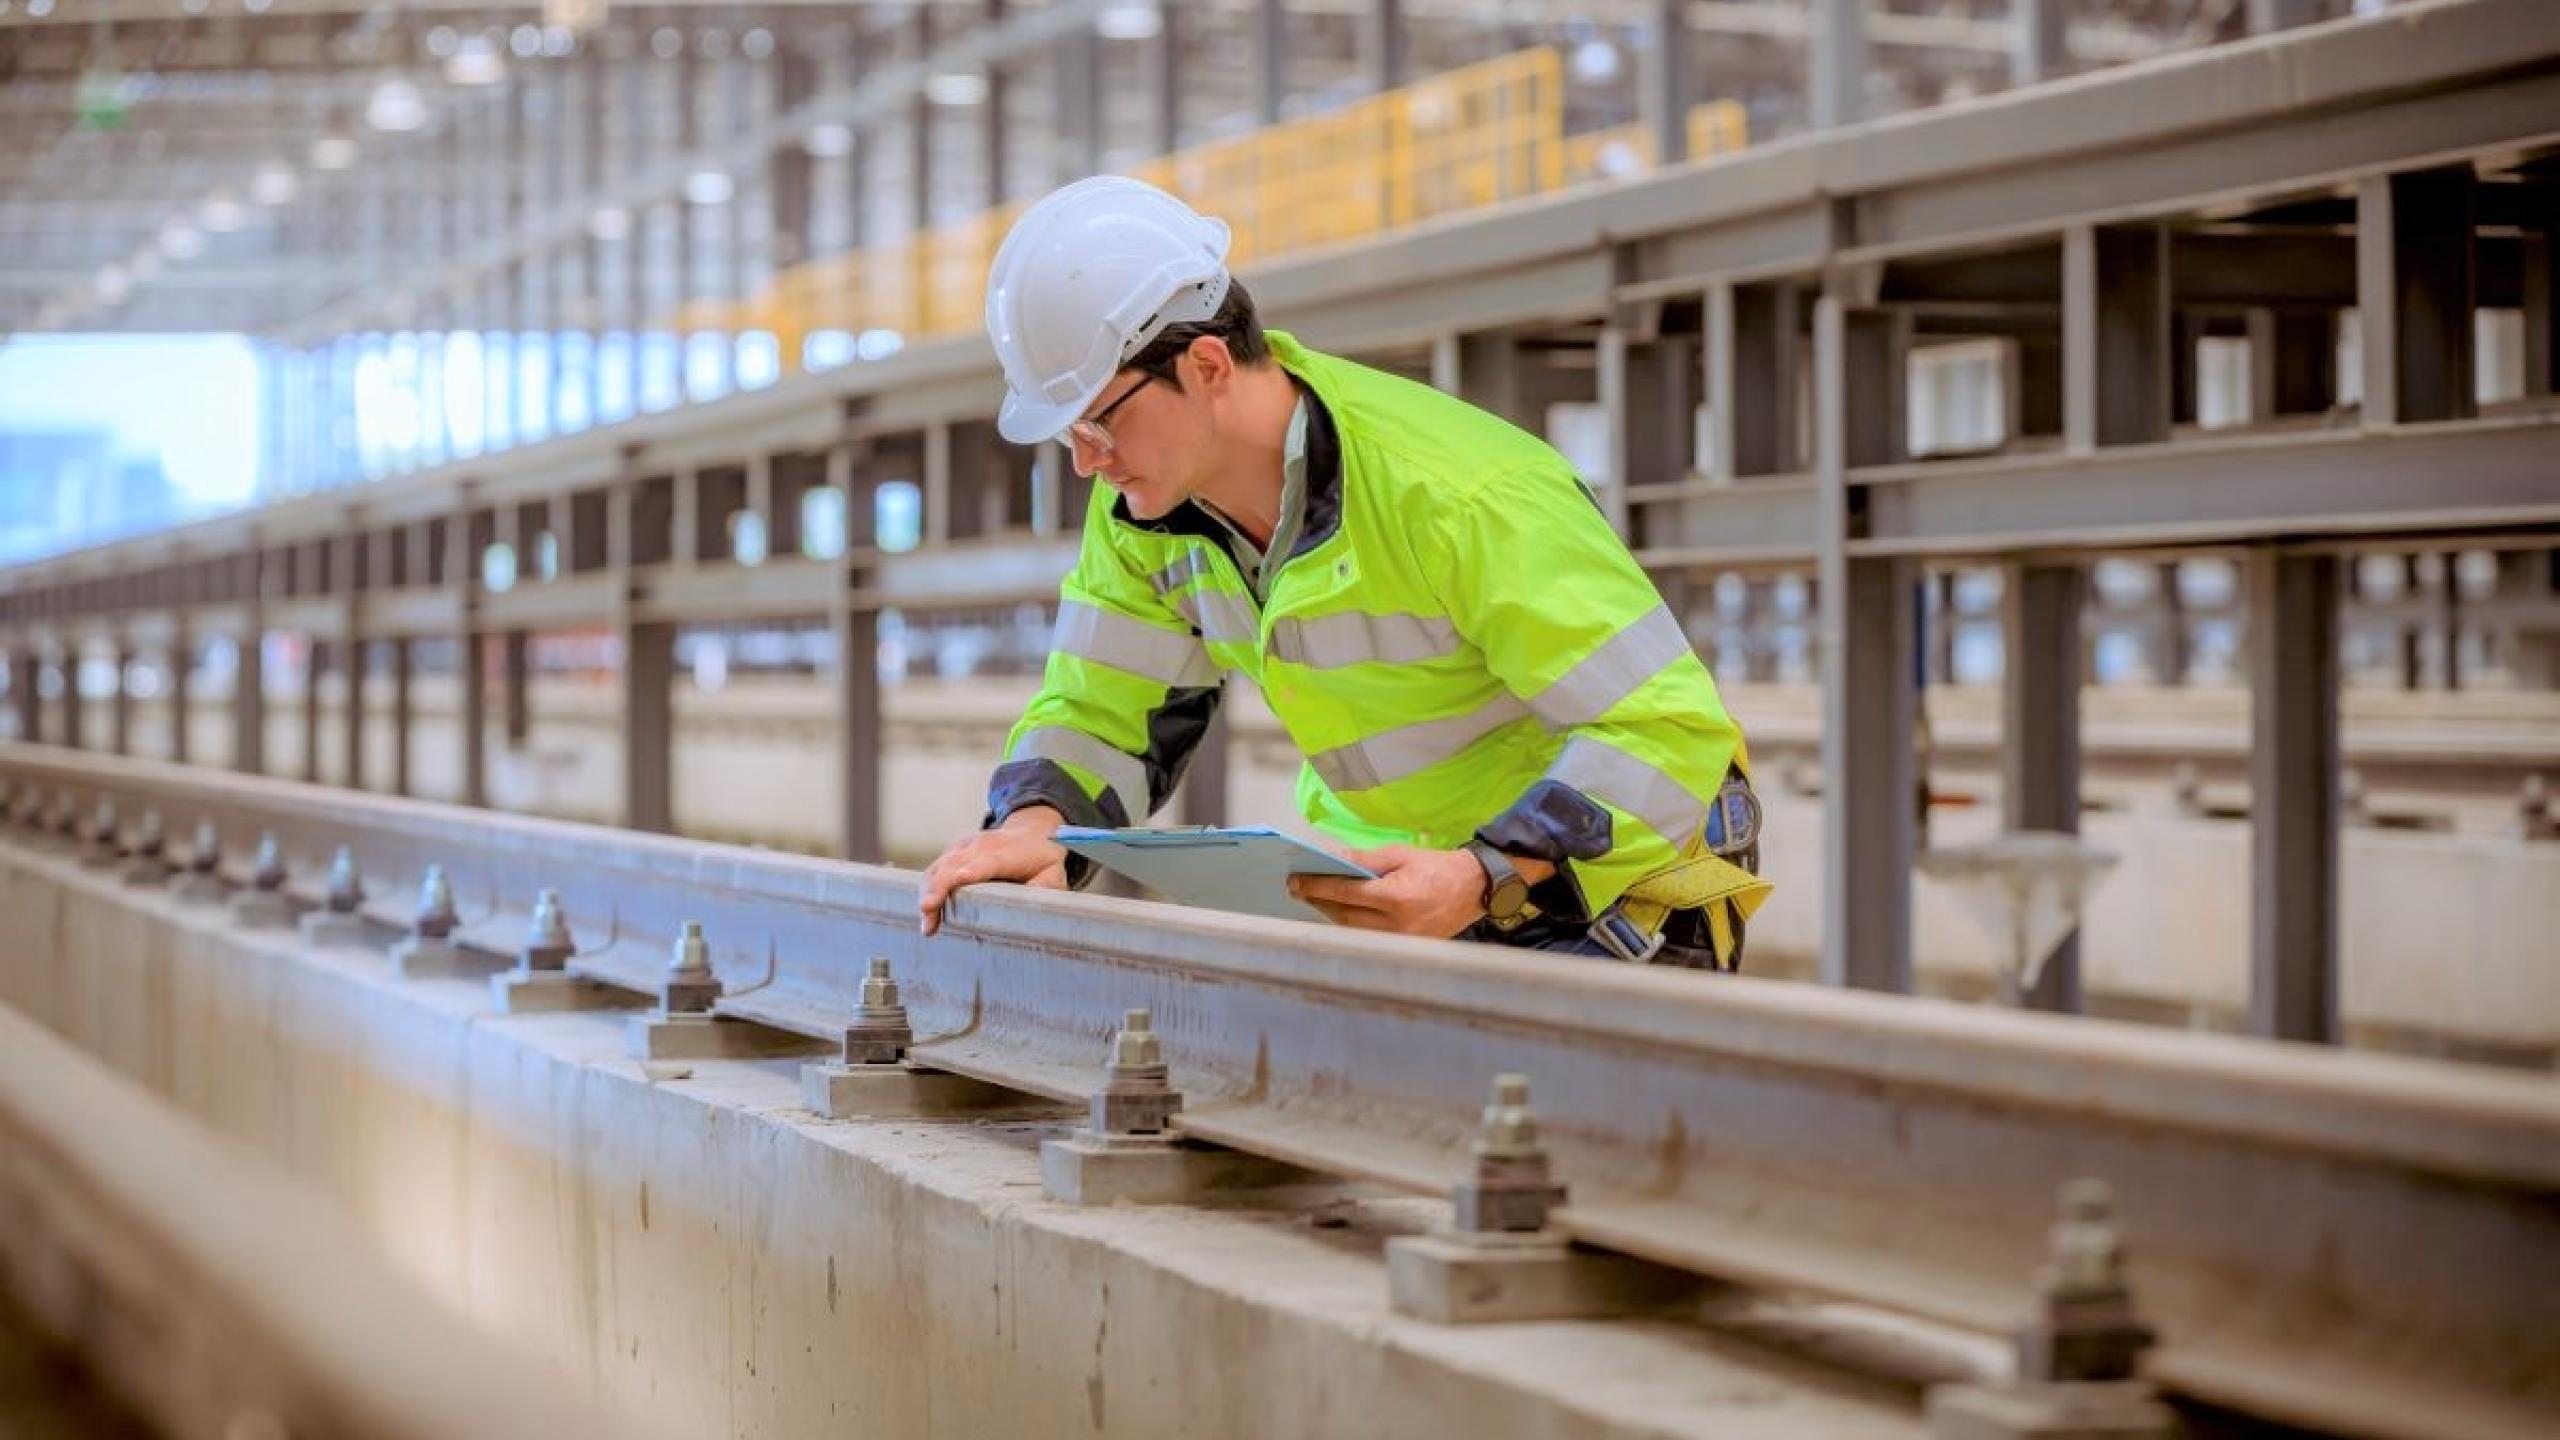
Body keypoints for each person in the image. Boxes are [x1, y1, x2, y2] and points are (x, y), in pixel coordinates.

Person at [917, 176, 1768, 967]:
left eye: (1098, 423)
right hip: (1410, 882)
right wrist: (1037, 825)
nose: (1085, 463)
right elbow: (1100, 710)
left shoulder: (1457, 494)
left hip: (1615, 882)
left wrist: (1487, 873)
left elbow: (1666, 730)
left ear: (1207, 366)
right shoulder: (1144, 514)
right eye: (1069, 435)